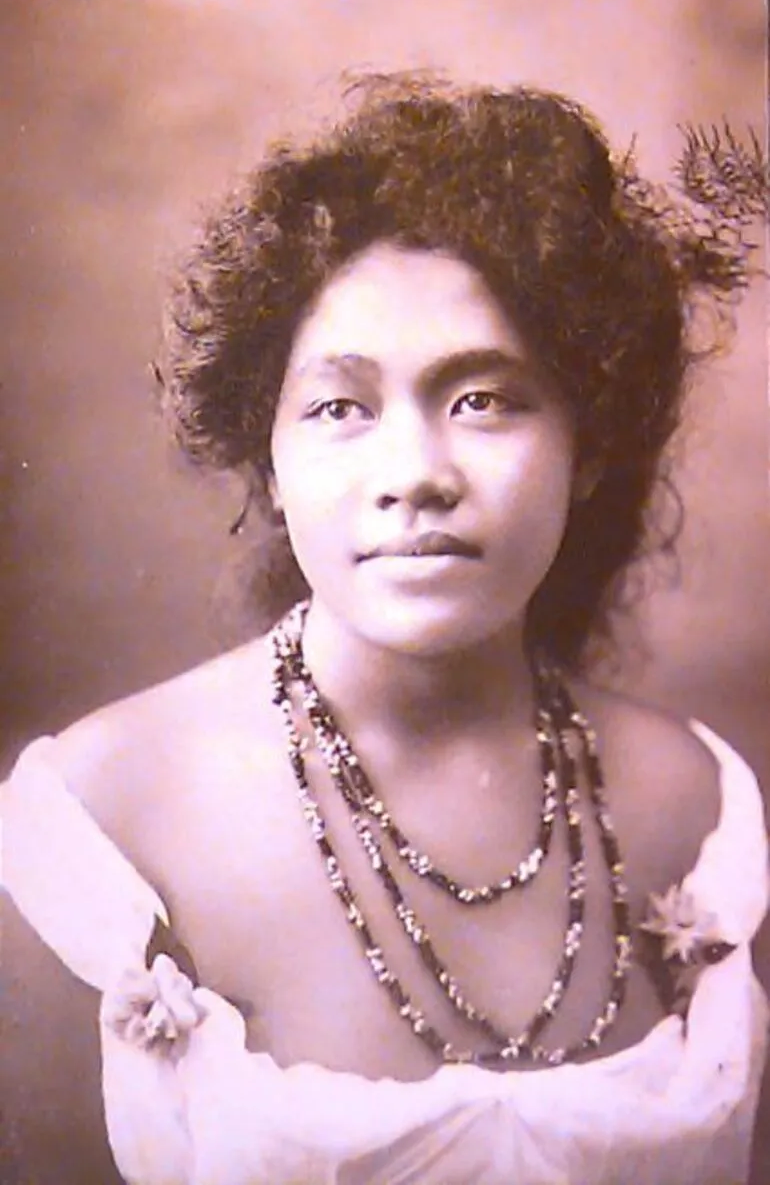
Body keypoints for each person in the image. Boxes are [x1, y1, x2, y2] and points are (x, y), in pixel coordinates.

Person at [2, 73, 768, 1185]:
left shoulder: (700, 802)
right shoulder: (99, 821)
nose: (412, 475)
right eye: (338, 409)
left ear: (588, 442)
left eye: (483, 399)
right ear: (268, 457)